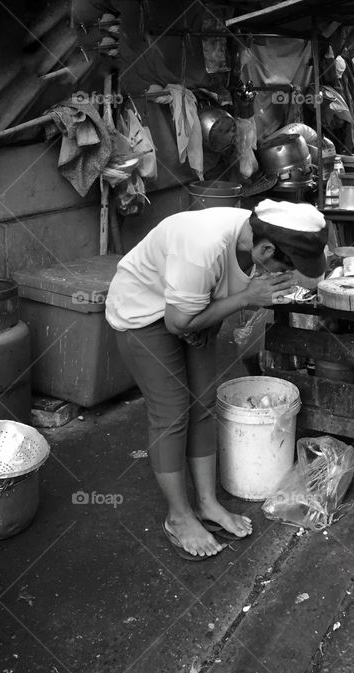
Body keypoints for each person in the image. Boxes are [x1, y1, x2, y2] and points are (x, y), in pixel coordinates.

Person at [105, 201, 327, 559]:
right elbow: (178, 322)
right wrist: (245, 298)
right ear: (266, 249)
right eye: (287, 265)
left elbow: (210, 297)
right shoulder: (203, 247)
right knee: (173, 412)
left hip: (188, 308)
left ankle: (207, 504)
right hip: (144, 313)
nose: (288, 274)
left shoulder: (252, 239)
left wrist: (215, 316)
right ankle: (178, 517)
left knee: (203, 402)